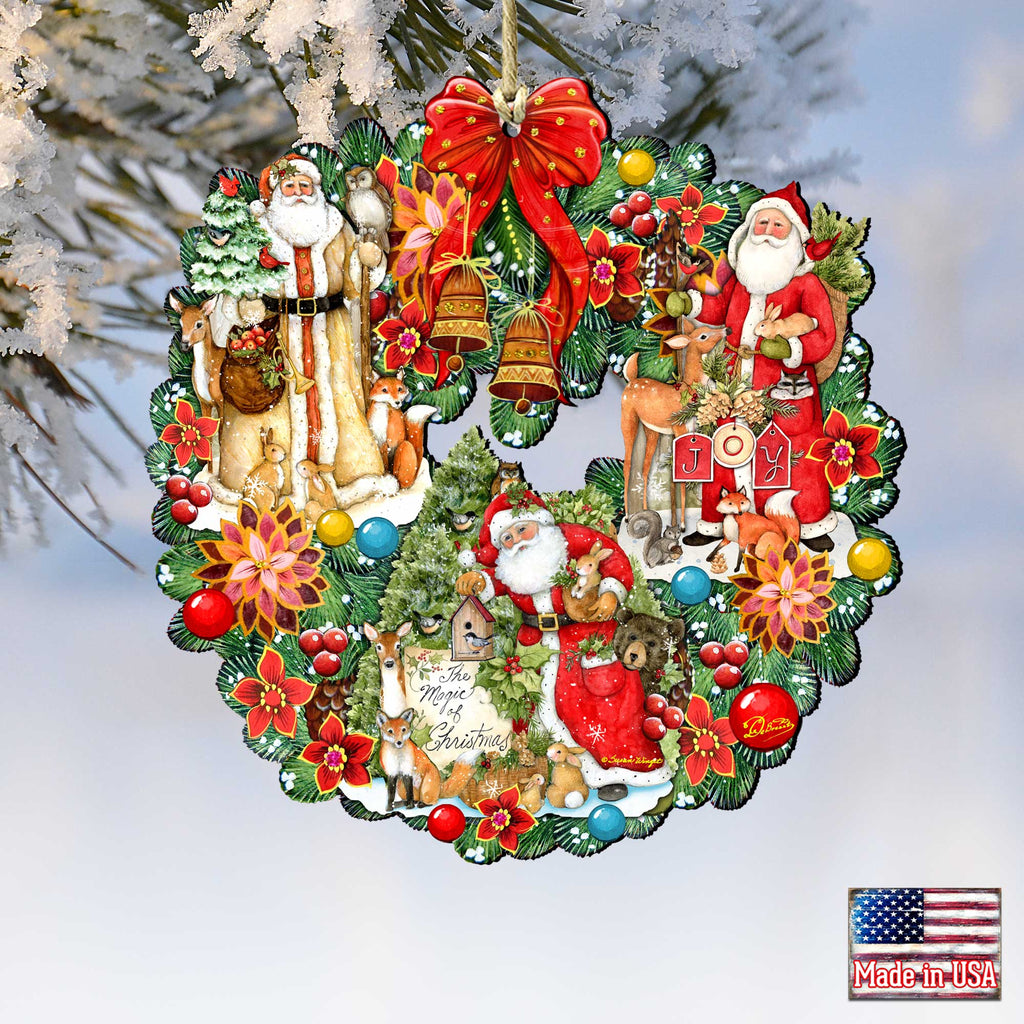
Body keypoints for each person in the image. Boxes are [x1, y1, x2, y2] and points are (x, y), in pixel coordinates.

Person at [456, 491, 672, 798]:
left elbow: (611, 556)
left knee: (601, 711)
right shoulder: (511, 564)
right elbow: (499, 579)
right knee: (535, 708)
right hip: (536, 643)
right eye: (507, 537)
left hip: (584, 638)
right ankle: (547, 774)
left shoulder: (569, 538)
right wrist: (481, 581)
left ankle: (614, 773)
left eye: (522, 529)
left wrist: (610, 593)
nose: (518, 541)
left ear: (538, 522)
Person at [683, 181, 839, 551]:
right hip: (733, 383)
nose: (768, 232)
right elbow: (715, 310)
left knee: (793, 456)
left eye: (778, 225)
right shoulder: (741, 280)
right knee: (724, 447)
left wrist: (789, 347)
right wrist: (688, 304)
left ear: (794, 236)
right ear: (749, 230)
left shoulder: (806, 284)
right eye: (762, 223)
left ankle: (807, 524)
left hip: (784, 389)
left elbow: (824, 336)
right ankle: (717, 523)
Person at [241, 153, 390, 505]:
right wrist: (249, 303)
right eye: (289, 186)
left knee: (338, 399)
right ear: (277, 192)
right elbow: (246, 280)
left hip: (331, 327)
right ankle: (285, 484)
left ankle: (346, 478)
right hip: (281, 330)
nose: (297, 193)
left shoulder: (335, 227)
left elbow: (357, 279)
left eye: (304, 185)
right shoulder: (262, 233)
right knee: (280, 408)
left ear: (316, 188)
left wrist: (368, 261)